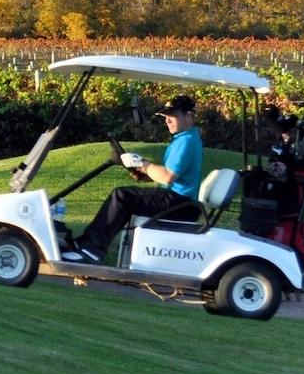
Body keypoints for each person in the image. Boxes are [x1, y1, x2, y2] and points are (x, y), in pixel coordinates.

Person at [63, 94, 203, 264]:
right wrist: (142, 173)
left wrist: (142, 163)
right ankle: (86, 244)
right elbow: (166, 175)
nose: (167, 121)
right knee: (126, 197)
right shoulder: (183, 138)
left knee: (122, 196)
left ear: (188, 115)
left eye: (172, 116)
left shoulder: (187, 140)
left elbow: (167, 176)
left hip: (180, 203)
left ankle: (92, 248)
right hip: (178, 200)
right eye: (165, 117)